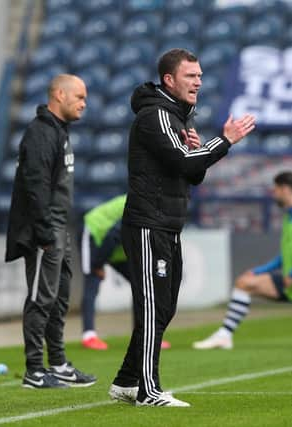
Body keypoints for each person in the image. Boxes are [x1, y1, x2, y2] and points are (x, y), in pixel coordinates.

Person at [107, 48, 256, 407]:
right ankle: (148, 389)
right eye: (191, 76)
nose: (199, 82)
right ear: (170, 80)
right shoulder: (156, 115)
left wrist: (201, 147)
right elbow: (183, 159)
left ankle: (127, 381)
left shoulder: (178, 117)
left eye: (201, 75)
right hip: (148, 224)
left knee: (165, 308)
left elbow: (191, 172)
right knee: (153, 307)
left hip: (168, 224)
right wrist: (225, 141)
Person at [5, 74, 96, 389]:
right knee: (40, 298)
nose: (84, 103)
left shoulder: (58, 131)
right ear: (59, 94)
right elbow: (35, 186)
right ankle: (34, 369)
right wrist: (44, 232)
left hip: (59, 226)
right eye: (79, 97)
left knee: (59, 298)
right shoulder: (41, 133)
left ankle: (57, 363)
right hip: (45, 230)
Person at [193, 172, 292, 350]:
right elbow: (285, 255)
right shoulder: (287, 216)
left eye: (275, 189)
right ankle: (224, 335)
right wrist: (260, 271)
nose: (273, 193)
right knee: (244, 283)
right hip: (288, 283)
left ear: (285, 189)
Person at [80, 194, 173, 351]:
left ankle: (143, 335)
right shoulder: (141, 207)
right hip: (96, 232)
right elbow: (112, 236)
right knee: (93, 281)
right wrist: (98, 265)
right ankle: (89, 335)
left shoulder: (155, 211)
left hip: (116, 244)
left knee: (142, 284)